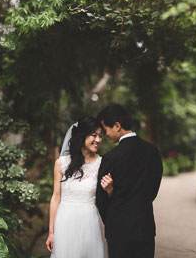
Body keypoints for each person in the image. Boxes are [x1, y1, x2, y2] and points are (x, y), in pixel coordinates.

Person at [95, 104, 163, 258]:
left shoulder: (110, 158)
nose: (105, 134)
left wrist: (111, 218)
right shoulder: (152, 151)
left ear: (117, 126)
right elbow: (153, 191)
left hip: (118, 230)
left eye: (105, 129)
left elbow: (101, 199)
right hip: (144, 227)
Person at [47, 116, 112, 258]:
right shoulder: (61, 163)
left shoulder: (102, 164)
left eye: (100, 136)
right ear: (82, 136)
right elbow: (56, 197)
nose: (98, 140)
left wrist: (109, 190)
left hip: (89, 222)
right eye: (94, 135)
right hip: (64, 221)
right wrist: (51, 232)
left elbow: (108, 199)